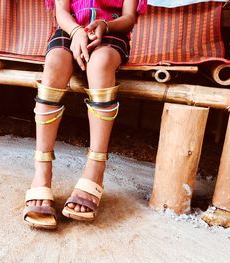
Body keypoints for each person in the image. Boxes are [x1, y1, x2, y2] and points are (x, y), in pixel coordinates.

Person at [23, 0, 147, 229]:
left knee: (99, 64)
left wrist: (105, 26)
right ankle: (42, 172)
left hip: (110, 33)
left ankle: (95, 171)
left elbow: (129, 17)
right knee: (54, 63)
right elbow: (61, 11)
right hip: (70, 29)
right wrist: (77, 31)